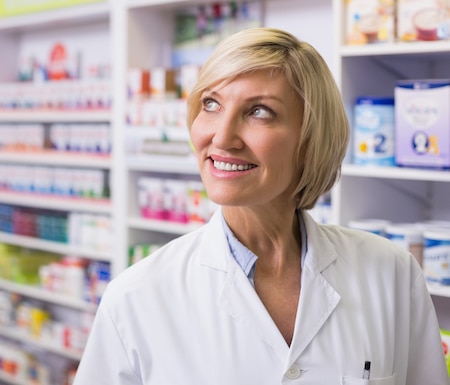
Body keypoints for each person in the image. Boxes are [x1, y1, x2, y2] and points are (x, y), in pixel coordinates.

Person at [73, 28, 448, 384]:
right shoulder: (135, 298)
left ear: (311, 139)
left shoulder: (391, 272)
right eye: (211, 104)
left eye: (259, 112)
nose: (222, 137)